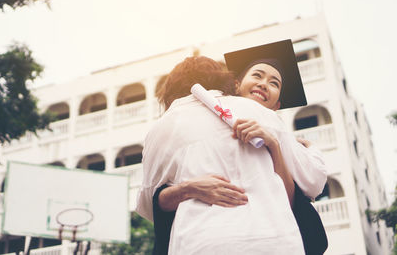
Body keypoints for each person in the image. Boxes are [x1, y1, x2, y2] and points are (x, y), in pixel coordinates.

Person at [137, 40, 327, 255]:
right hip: (273, 241)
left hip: (200, 242)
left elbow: (147, 204)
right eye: (256, 75)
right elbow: (314, 179)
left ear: (278, 105)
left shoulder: (161, 129)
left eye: (274, 83)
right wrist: (310, 149)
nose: (263, 85)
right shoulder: (262, 115)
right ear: (233, 84)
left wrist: (274, 145)